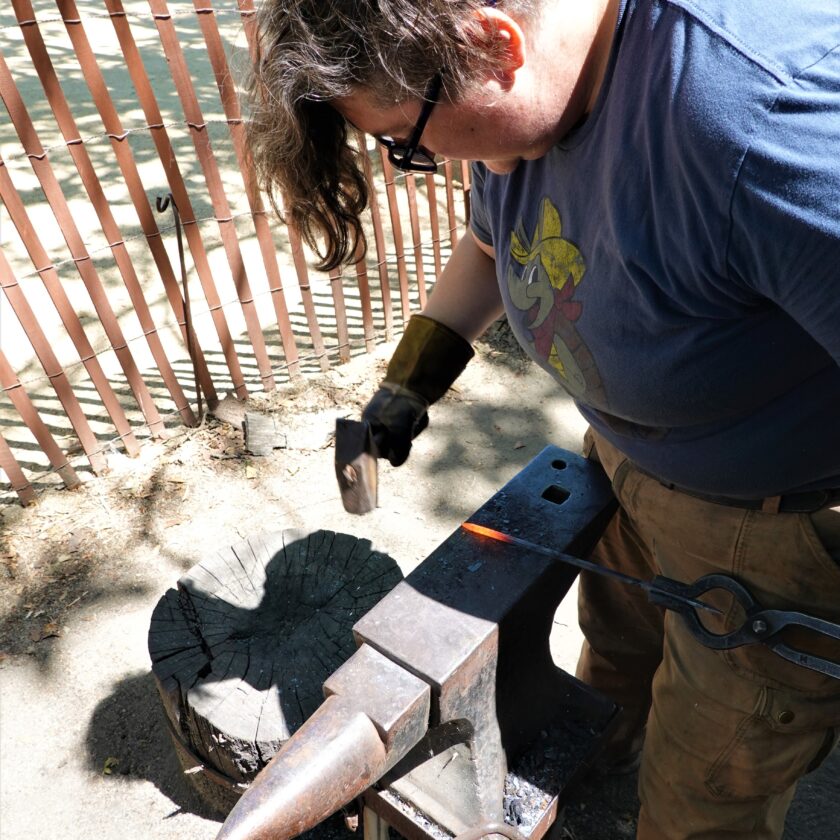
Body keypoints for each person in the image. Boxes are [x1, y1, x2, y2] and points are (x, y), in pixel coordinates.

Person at [246, 1, 840, 837]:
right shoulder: (538, 99)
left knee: (709, 788)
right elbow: (494, 246)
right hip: (627, 472)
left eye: (405, 142)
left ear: (496, 42)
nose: (410, 159)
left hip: (775, 537)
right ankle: (607, 760)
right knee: (615, 655)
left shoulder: (772, 125)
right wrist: (410, 382)